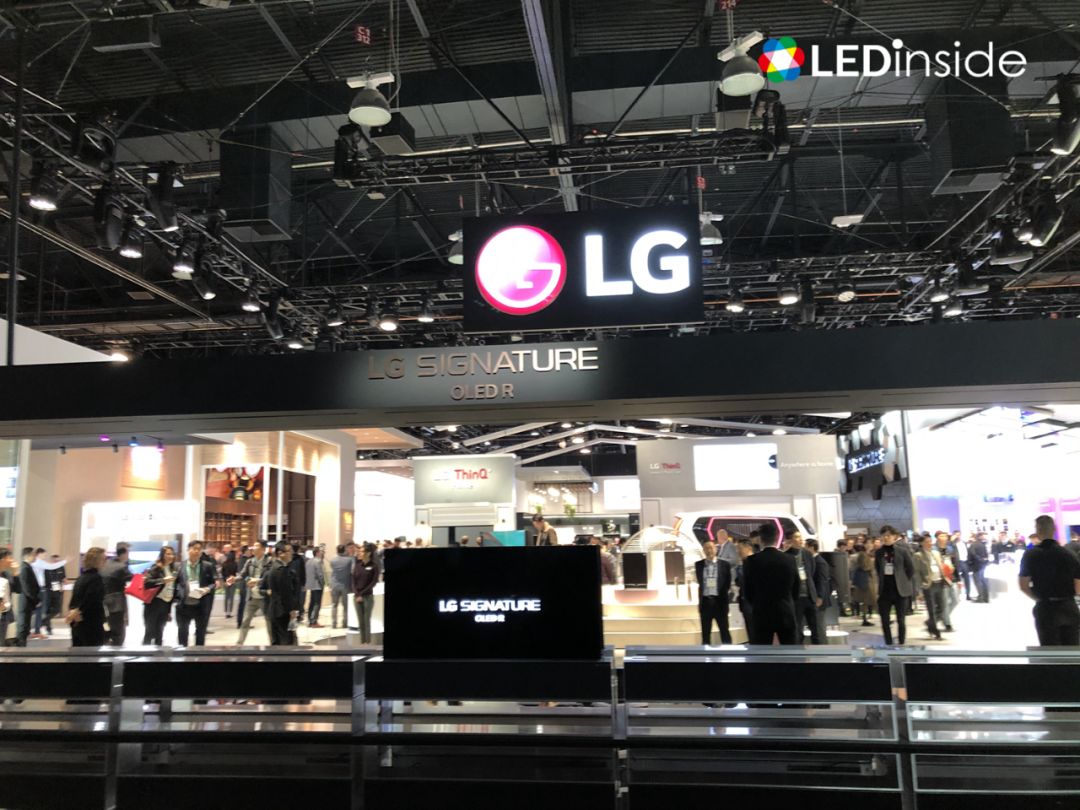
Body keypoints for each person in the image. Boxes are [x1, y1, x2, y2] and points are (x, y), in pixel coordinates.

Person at [1019, 515, 1080, 646]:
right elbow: (1078, 586)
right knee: (1072, 650)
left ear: (1037, 530)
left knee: (1049, 650)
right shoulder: (1069, 554)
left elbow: (1023, 585)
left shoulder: (1030, 555)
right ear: (1054, 530)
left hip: (1045, 608)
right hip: (1068, 606)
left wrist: (1038, 598)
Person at [741, 522, 799, 645]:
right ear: (777, 538)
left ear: (760, 539)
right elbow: (796, 588)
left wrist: (757, 603)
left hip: (761, 612)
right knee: (790, 651)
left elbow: (747, 591)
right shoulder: (789, 559)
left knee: (761, 652)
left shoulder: (751, 561)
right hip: (785, 611)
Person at [874, 526, 915, 646]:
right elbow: (878, 569)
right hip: (885, 591)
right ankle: (889, 644)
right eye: (884, 535)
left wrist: (904, 580)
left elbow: (911, 569)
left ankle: (901, 643)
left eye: (888, 535)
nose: (886, 537)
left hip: (900, 591)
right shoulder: (879, 553)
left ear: (894, 536)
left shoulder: (902, 551)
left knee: (901, 620)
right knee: (884, 620)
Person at [175, 540, 217, 647]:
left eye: (199, 549)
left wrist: (207, 589)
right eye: (194, 548)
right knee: (182, 635)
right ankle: (183, 655)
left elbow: (213, 583)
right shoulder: (179, 566)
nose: (197, 551)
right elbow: (175, 584)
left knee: (200, 636)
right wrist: (176, 599)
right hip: (184, 606)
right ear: (188, 550)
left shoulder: (207, 566)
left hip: (201, 606)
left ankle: (198, 656)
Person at [783, 532, 822, 644]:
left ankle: (818, 651)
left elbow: (812, 572)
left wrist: (817, 595)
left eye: (801, 537)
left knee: (815, 629)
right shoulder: (786, 556)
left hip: (810, 597)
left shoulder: (807, 554)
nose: (800, 539)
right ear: (790, 540)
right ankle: (798, 651)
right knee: (797, 629)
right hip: (796, 598)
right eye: (797, 537)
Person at [67, 547, 107, 647]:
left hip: (78, 623)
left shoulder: (80, 578)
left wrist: (74, 614)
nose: (105, 562)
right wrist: (79, 611)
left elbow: (74, 601)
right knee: (92, 652)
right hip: (91, 623)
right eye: (103, 559)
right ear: (97, 561)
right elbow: (91, 600)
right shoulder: (96, 579)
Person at [694, 541, 732, 645]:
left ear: (716, 549)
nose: (709, 550)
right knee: (705, 635)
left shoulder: (725, 565)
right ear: (703, 550)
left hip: (720, 603)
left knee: (725, 632)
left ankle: (729, 653)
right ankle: (705, 654)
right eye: (706, 548)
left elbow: (727, 584)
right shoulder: (698, 565)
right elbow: (700, 583)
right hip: (705, 603)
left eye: (711, 548)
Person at [237, 541, 273, 644]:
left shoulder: (270, 561)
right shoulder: (250, 561)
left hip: (264, 597)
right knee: (245, 620)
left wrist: (257, 581)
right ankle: (239, 643)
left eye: (256, 546)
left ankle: (273, 643)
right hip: (252, 596)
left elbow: (271, 577)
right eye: (253, 546)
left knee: (269, 622)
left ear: (263, 549)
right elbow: (243, 575)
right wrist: (235, 579)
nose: (253, 548)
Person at [141, 546, 178, 646]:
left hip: (165, 604)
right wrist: (162, 580)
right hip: (154, 603)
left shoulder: (172, 569)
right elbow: (147, 582)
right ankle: (145, 653)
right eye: (168, 554)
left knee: (160, 632)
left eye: (172, 554)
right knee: (149, 632)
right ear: (162, 555)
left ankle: (158, 653)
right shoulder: (156, 567)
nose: (171, 556)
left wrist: (169, 610)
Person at [266, 541, 301, 646]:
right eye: (289, 551)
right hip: (282, 613)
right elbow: (286, 594)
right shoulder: (280, 570)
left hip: (277, 611)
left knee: (280, 643)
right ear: (280, 553)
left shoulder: (278, 567)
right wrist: (292, 610)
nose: (291, 553)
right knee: (286, 645)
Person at [914, 535, 947, 641]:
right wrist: (921, 587)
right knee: (931, 609)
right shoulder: (918, 555)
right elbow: (917, 573)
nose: (929, 543)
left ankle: (930, 623)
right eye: (927, 542)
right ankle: (936, 632)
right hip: (929, 585)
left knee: (942, 607)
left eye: (930, 541)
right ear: (922, 543)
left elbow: (941, 566)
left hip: (939, 582)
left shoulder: (936, 553)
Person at [101, 543, 133, 646]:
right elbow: (131, 578)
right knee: (118, 626)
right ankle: (116, 645)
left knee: (107, 623)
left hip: (103, 599)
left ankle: (107, 641)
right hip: (117, 600)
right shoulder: (122, 566)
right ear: (124, 553)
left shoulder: (106, 564)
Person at [30, 549, 67, 639]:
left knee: (55, 609)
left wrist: (62, 585)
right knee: (44, 610)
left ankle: (43, 623)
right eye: (44, 555)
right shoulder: (43, 565)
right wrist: (65, 561)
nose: (45, 556)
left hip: (55, 590)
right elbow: (49, 570)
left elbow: (63, 578)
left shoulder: (59, 568)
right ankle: (44, 628)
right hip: (46, 590)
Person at [805, 539, 831, 642]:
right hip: (815, 598)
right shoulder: (813, 561)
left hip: (819, 600)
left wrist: (819, 597)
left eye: (806, 547)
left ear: (811, 548)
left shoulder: (820, 562)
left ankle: (823, 647)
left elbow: (822, 581)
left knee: (819, 626)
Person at [352, 543, 379, 644]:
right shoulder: (357, 566)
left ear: (368, 553)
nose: (359, 553)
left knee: (367, 620)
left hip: (367, 597)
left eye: (362, 551)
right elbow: (353, 581)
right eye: (359, 551)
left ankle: (368, 642)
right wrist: (357, 594)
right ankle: (362, 642)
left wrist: (362, 594)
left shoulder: (374, 566)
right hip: (357, 597)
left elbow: (373, 582)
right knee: (360, 621)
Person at [934, 532, 958, 632]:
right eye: (941, 536)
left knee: (955, 600)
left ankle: (941, 616)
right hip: (941, 578)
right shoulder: (934, 550)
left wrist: (957, 577)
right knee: (944, 602)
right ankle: (947, 623)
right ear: (937, 538)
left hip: (952, 577)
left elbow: (954, 563)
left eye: (945, 536)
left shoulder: (950, 549)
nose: (944, 538)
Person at [851, 542, 877, 627]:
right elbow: (865, 566)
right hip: (866, 581)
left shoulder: (857, 556)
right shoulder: (863, 555)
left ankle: (865, 618)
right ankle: (866, 619)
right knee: (869, 600)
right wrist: (871, 565)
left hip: (862, 581)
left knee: (866, 601)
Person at [329, 544, 354, 630]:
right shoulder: (349, 560)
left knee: (334, 605)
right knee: (345, 605)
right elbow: (352, 571)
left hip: (334, 584)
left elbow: (332, 569)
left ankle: (334, 623)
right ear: (344, 550)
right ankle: (345, 623)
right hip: (345, 585)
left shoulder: (333, 560)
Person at [734, 538, 755, 638]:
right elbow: (739, 582)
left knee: (756, 633)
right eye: (737, 549)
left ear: (748, 548)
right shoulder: (742, 564)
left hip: (755, 604)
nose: (738, 551)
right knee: (750, 633)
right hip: (745, 603)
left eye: (740, 548)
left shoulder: (757, 562)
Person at [305, 546, 326, 628]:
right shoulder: (318, 561)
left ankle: (310, 620)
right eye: (321, 551)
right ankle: (314, 621)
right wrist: (323, 583)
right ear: (317, 553)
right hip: (317, 585)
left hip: (311, 585)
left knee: (311, 603)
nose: (322, 553)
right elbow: (320, 574)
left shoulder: (308, 561)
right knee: (317, 603)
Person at [969, 533, 990, 602]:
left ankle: (981, 597)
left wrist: (980, 560)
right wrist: (985, 561)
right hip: (982, 565)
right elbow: (986, 555)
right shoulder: (983, 545)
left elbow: (973, 554)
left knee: (978, 581)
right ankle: (986, 597)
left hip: (976, 565)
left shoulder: (973, 545)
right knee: (983, 580)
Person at [221, 548, 240, 619]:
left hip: (226, 581)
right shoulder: (235, 564)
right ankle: (230, 612)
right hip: (232, 580)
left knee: (226, 597)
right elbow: (236, 573)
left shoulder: (224, 563)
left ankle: (226, 612)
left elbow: (222, 573)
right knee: (231, 597)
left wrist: (225, 580)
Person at [0, 549, 14, 644]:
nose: (11, 560)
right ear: (2, 560)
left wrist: (16, 573)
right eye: (9, 558)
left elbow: (17, 590)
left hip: (4, 616)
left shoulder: (7, 575)